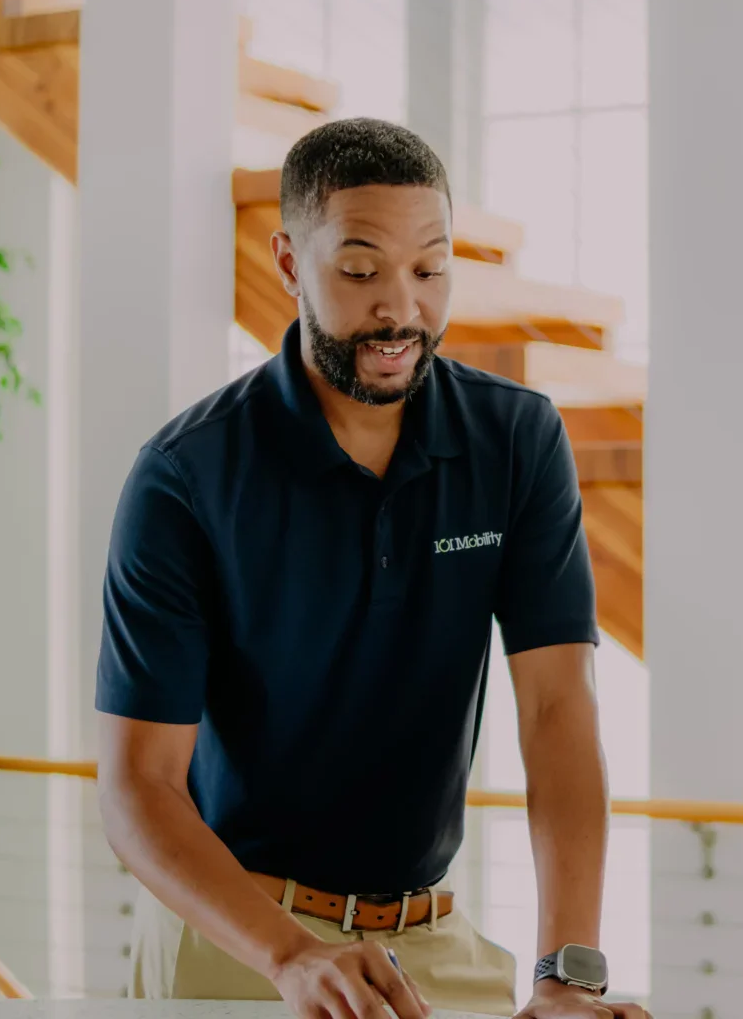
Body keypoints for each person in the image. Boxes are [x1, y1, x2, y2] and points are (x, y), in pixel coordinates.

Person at [95, 118, 648, 1019]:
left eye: (430, 271)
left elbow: (558, 708)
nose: (401, 309)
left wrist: (566, 974)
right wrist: (291, 957)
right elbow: (137, 787)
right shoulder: (186, 477)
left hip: (435, 947)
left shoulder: (516, 440)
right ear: (288, 263)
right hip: (236, 945)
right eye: (360, 271)